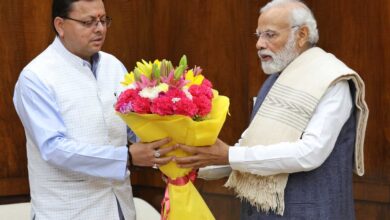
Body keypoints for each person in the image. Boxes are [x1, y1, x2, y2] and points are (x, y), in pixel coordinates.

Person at [175, 0, 369, 219]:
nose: (259, 44)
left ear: (302, 35)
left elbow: (309, 154)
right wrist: (193, 165)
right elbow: (249, 149)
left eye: (270, 35)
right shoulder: (277, 79)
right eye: (258, 35)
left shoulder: (333, 80)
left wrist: (228, 155)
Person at [13, 0, 173, 219]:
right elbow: (54, 148)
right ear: (60, 25)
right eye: (88, 22)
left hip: (120, 208)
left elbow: (133, 127)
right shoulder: (36, 77)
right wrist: (126, 158)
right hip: (69, 212)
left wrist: (165, 153)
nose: (100, 29)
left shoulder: (114, 66)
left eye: (103, 20)